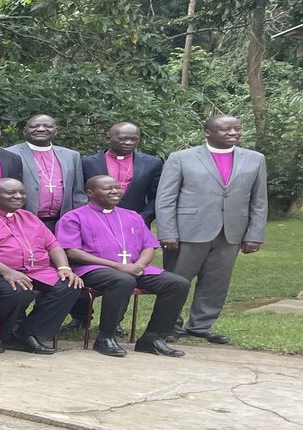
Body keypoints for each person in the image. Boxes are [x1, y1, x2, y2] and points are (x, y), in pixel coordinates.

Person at [156, 115, 268, 345]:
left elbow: (259, 200)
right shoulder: (182, 158)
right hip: (188, 231)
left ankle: (201, 325)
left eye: (237, 129)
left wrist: (254, 234)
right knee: (176, 281)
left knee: (217, 282)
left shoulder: (255, 159)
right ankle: (169, 326)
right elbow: (166, 198)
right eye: (226, 129)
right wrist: (167, 231)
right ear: (207, 132)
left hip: (231, 232)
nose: (233, 133)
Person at [57, 176, 189, 357]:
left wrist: (139, 265)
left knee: (177, 283)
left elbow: (149, 246)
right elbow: (72, 252)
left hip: (134, 268)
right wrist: (118, 267)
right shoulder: (74, 217)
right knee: (122, 280)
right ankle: (106, 338)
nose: (115, 191)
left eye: (117, 188)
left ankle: (153, 338)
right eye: (107, 188)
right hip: (92, 269)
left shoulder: (132, 216)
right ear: (90, 193)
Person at [0, 179, 84, 355]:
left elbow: (53, 244)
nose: (18, 196)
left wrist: (64, 268)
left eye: (22, 193)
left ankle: (27, 333)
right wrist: (7, 272)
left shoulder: (29, 217)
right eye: (11, 193)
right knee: (17, 291)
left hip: (36, 270)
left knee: (68, 286)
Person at [5, 114, 82, 229]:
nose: (41, 129)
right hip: (22, 221)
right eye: (35, 126)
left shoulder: (71, 156)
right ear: (25, 131)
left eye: (47, 126)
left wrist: (78, 220)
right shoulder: (9, 154)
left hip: (63, 222)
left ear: (55, 131)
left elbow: (78, 193)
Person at [82, 122, 163, 225]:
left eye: (134, 139)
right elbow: (80, 193)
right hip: (95, 221)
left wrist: (143, 218)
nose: (129, 142)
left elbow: (156, 196)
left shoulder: (152, 163)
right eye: (122, 139)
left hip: (136, 222)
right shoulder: (87, 163)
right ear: (108, 139)